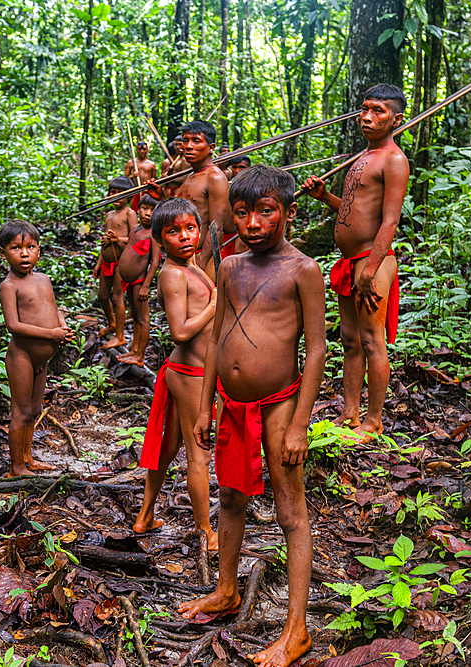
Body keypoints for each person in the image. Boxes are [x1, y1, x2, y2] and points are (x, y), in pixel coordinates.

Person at [180, 166, 325, 667]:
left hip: (280, 404)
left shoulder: (302, 270)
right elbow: (217, 338)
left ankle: (296, 629)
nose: (253, 223)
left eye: (266, 211)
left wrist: (301, 423)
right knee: (230, 496)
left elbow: (317, 349)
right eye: (243, 213)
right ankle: (225, 590)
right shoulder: (228, 267)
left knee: (291, 512)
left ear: (286, 211)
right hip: (233, 406)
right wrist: (204, 405)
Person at [301, 84, 409, 441]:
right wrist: (324, 196)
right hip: (350, 261)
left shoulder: (393, 159)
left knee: (371, 340)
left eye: (378, 110)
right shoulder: (363, 157)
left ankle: (373, 422)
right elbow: (351, 212)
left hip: (372, 262)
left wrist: (370, 270)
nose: (367, 117)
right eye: (364, 109)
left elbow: (389, 222)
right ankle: (350, 414)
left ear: (397, 118)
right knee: (349, 340)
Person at [132, 198, 218, 549]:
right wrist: (216, 305)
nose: (184, 237)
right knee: (199, 454)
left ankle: (145, 516)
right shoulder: (171, 273)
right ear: (159, 239)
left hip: (196, 371)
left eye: (190, 228)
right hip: (188, 372)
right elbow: (179, 331)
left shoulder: (193, 264)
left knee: (169, 448)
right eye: (173, 232)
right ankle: (205, 531)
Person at [0, 220, 75, 477]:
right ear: (3, 253)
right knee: (20, 411)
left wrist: (62, 327)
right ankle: (16, 467)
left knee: (35, 410)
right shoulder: (10, 286)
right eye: (15, 248)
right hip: (22, 356)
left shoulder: (44, 279)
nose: (24, 253)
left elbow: (54, 309)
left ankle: (28, 457)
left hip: (42, 359)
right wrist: (50, 333)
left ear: (38, 250)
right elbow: (13, 326)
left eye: (30, 247)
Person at [147, 121, 243, 275]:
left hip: (200, 258)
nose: (188, 146)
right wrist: (159, 198)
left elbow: (216, 228)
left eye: (196, 141)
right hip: (186, 258)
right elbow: (180, 216)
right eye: (186, 141)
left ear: (211, 148)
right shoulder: (191, 176)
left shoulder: (214, 177)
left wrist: (201, 264)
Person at [116, 194, 161, 367]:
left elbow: (155, 262)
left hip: (139, 282)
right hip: (128, 282)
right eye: (144, 208)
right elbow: (130, 249)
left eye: (152, 210)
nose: (148, 213)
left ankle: (140, 355)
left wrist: (146, 286)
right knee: (134, 315)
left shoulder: (153, 234)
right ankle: (134, 350)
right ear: (138, 208)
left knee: (143, 318)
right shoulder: (135, 228)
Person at [93, 176, 135, 350]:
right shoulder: (109, 215)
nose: (116, 196)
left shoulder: (130, 214)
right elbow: (105, 242)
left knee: (117, 298)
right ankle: (111, 323)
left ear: (129, 196)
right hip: (106, 261)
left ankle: (120, 335)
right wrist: (98, 263)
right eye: (113, 192)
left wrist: (118, 239)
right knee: (103, 296)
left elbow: (134, 239)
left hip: (121, 262)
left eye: (121, 193)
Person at [125, 141, 158, 210]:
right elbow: (125, 179)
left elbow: (154, 180)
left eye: (144, 149)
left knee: (145, 210)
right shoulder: (131, 163)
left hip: (147, 191)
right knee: (134, 211)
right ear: (137, 150)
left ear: (147, 151)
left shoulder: (151, 164)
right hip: (135, 191)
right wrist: (132, 176)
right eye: (140, 149)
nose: (142, 151)